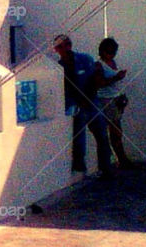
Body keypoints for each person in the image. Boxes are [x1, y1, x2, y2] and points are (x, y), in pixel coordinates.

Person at [52, 34, 112, 177]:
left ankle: (106, 167)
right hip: (76, 104)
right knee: (78, 134)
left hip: (91, 102)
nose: (63, 49)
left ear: (69, 45)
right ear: (56, 49)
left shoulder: (85, 59)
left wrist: (88, 97)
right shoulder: (58, 68)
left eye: (65, 45)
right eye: (59, 46)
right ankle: (79, 165)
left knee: (102, 135)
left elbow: (94, 78)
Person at [94, 37, 131, 168]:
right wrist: (117, 77)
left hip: (116, 100)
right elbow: (99, 83)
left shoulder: (113, 62)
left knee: (117, 130)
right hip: (107, 101)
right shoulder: (99, 65)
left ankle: (121, 159)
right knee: (115, 131)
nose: (112, 54)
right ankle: (121, 160)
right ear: (102, 51)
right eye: (109, 51)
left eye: (113, 52)